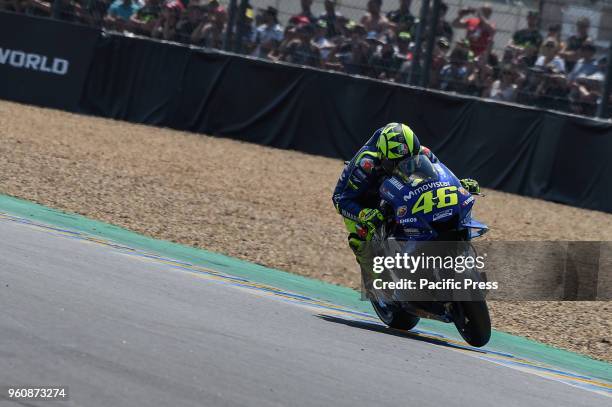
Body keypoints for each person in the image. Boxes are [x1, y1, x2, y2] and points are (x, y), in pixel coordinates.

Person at [332, 123, 479, 264]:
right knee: (364, 240)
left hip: (394, 191)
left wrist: (459, 184)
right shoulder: (366, 164)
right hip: (362, 197)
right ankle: (375, 282)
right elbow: (340, 200)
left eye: (411, 160)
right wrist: (364, 214)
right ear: (383, 156)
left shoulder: (422, 152)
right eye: (397, 162)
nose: (406, 165)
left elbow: (439, 175)